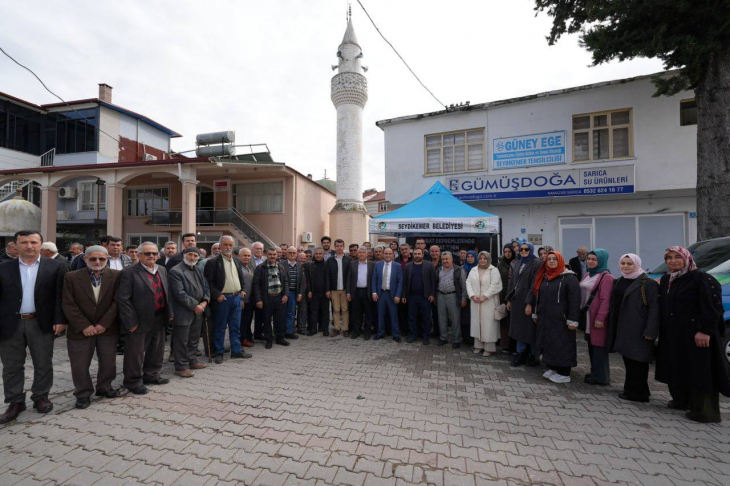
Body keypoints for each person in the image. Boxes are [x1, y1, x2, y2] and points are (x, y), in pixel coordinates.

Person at [655, 246, 730, 423]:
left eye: (677, 257)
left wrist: (704, 331)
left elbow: (713, 307)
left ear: (686, 259)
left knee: (701, 372)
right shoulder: (668, 279)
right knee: (679, 366)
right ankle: (682, 401)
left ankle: (705, 412)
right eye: (669, 258)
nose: (673, 261)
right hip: (675, 334)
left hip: (697, 335)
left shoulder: (701, 278)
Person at [0, 231, 68, 424]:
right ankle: (15, 402)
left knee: (43, 362)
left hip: (42, 322)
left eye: (33, 242)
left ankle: (41, 397)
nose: (29, 246)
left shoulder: (57, 266)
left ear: (40, 244)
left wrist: (60, 319)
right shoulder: (4, 268)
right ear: (16, 244)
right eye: (24, 242)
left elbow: (60, 296)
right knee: (11, 366)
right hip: (9, 324)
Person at [61, 245, 121, 409]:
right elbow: (68, 303)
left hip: (107, 328)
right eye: (93, 258)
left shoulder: (116, 276)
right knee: (79, 364)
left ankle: (105, 387)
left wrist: (104, 323)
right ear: (85, 259)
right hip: (80, 330)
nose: (97, 262)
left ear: (107, 259)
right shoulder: (71, 277)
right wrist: (84, 325)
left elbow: (117, 302)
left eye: (101, 259)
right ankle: (83, 393)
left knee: (108, 362)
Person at [117, 241, 172, 395]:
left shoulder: (162, 269)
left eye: (154, 253)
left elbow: (167, 292)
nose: (152, 256)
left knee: (157, 349)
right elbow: (123, 299)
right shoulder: (129, 272)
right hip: (138, 321)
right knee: (135, 353)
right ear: (139, 255)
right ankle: (132, 381)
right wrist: (130, 321)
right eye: (147, 253)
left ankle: (151, 375)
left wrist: (170, 314)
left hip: (159, 317)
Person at [608, 253, 660, 403]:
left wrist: (651, 330)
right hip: (623, 327)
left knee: (638, 361)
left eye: (629, 264)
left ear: (636, 264)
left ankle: (639, 394)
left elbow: (654, 309)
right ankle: (632, 389)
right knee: (629, 360)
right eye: (623, 263)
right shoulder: (619, 281)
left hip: (639, 328)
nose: (625, 266)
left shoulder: (648, 283)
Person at [531, 251, 580, 384]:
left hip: (562, 320)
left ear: (560, 261)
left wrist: (573, 320)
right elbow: (538, 297)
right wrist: (536, 312)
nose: (551, 261)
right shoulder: (546, 277)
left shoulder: (570, 278)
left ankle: (564, 372)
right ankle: (553, 367)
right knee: (549, 343)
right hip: (547, 318)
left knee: (562, 344)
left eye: (554, 259)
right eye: (549, 259)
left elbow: (574, 301)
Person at [169, 247, 212, 378]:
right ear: (184, 255)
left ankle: (192, 360)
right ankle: (181, 366)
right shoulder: (175, 271)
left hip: (199, 309)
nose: (192, 258)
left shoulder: (198, 269)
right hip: (183, 311)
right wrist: (195, 305)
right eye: (190, 255)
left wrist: (205, 301)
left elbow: (206, 288)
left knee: (193, 339)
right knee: (181, 340)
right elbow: (179, 294)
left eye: (195, 256)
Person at [204, 236, 247, 364]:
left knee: (235, 326)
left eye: (230, 245)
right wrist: (217, 295)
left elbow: (241, 278)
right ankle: (219, 352)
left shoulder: (237, 261)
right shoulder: (212, 262)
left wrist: (242, 290)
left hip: (236, 298)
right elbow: (208, 282)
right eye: (225, 245)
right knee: (220, 327)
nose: (228, 247)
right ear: (220, 246)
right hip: (222, 299)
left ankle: (236, 351)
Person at [580, 249, 614, 386]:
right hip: (587, 316)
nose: (590, 261)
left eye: (594, 259)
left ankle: (602, 377)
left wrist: (600, 318)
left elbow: (606, 300)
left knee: (599, 347)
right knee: (591, 346)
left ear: (601, 261)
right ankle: (595, 372)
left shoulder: (606, 277)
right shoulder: (588, 274)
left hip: (597, 318)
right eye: (589, 259)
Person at [507, 242, 542, 367]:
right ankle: (520, 353)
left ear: (531, 250)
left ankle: (533, 355)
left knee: (530, 329)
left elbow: (535, 284)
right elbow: (512, 282)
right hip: (516, 301)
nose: (523, 251)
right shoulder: (518, 262)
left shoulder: (537, 263)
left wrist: (529, 303)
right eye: (521, 249)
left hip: (528, 302)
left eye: (526, 249)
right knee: (518, 328)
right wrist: (509, 299)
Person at [465, 251, 502, 356]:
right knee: (477, 323)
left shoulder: (493, 270)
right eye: (480, 258)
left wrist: (485, 296)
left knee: (488, 324)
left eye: (484, 258)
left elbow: (496, 285)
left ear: (488, 259)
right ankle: (478, 346)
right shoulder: (473, 270)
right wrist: (472, 295)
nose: (482, 260)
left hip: (489, 302)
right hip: (476, 301)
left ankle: (489, 348)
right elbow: (468, 283)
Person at [253, 247, 290, 348]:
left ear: (277, 255)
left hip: (279, 298)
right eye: (270, 254)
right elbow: (256, 285)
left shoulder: (281, 267)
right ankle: (268, 339)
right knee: (267, 320)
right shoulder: (260, 268)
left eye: (274, 254)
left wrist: (286, 295)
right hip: (267, 298)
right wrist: (259, 299)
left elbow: (286, 282)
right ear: (266, 255)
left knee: (280, 320)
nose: (272, 256)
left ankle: (280, 338)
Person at [402, 248, 436, 345]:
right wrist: (404, 295)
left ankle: (426, 336)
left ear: (422, 255)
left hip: (425, 297)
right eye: (415, 254)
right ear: (413, 255)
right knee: (412, 317)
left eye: (419, 254)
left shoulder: (429, 265)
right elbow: (404, 282)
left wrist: (432, 294)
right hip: (412, 296)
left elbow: (433, 281)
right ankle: (413, 334)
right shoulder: (408, 266)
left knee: (426, 317)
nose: (417, 255)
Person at [435, 252, 467, 348]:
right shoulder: (439, 269)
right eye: (443, 259)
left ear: (452, 259)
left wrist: (463, 298)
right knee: (442, 318)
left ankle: (456, 339)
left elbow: (464, 286)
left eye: (447, 259)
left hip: (453, 296)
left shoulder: (459, 269)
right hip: (441, 295)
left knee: (455, 319)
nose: (445, 261)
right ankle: (443, 338)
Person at [372, 248, 403, 342]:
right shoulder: (377, 265)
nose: (388, 255)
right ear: (383, 254)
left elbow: (400, 281)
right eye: (386, 253)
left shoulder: (397, 266)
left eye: (390, 254)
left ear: (393, 255)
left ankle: (396, 334)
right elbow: (374, 279)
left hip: (392, 294)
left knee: (393, 315)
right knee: (380, 315)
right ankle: (380, 333)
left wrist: (398, 295)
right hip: (381, 293)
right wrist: (374, 292)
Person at [346, 247, 375, 339]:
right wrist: (348, 292)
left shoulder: (372, 264)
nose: (361, 254)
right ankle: (356, 331)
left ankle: (367, 332)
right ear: (357, 254)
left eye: (363, 252)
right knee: (356, 313)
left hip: (367, 291)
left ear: (367, 254)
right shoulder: (352, 264)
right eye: (360, 252)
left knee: (368, 313)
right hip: (356, 291)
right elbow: (348, 279)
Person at [326, 239, 351, 337]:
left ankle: (345, 329)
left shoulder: (348, 260)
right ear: (335, 247)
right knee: (335, 310)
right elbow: (327, 276)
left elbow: (350, 276)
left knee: (345, 309)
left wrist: (349, 290)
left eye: (341, 246)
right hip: (334, 289)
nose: (339, 247)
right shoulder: (330, 260)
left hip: (345, 289)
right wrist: (327, 289)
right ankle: (336, 328)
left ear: (343, 247)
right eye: (337, 246)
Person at [284, 247, 306, 340]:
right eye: (290, 252)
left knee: (291, 313)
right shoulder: (281, 264)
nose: (292, 254)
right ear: (287, 254)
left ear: (296, 254)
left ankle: (289, 332)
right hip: (284, 293)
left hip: (294, 293)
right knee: (282, 313)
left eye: (294, 253)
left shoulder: (299, 266)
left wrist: (300, 294)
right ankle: (280, 331)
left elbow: (302, 281)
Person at [497, 244, 515, 354]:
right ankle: (505, 345)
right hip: (503, 295)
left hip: (513, 296)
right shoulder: (500, 264)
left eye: (509, 251)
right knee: (504, 321)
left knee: (513, 321)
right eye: (505, 251)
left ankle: (514, 345)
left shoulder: (517, 262)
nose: (507, 253)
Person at [307, 247, 329, 336]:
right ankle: (313, 329)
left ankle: (325, 329)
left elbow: (329, 279)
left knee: (325, 312)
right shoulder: (310, 265)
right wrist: (309, 290)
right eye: (316, 254)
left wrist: (328, 290)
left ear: (323, 254)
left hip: (325, 292)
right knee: (313, 312)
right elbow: (307, 279)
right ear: (314, 255)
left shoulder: (327, 265)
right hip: (314, 292)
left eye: (320, 254)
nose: (318, 255)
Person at [238, 248, 257, 348]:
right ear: (239, 256)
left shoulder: (249, 267)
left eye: (248, 255)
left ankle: (246, 337)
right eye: (244, 255)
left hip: (250, 299)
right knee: (242, 321)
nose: (247, 257)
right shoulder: (238, 267)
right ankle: (242, 339)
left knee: (248, 320)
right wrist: (239, 298)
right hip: (241, 300)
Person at [460, 251, 478, 346]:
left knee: (474, 319)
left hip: (476, 298)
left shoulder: (479, 268)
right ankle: (466, 338)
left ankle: (474, 339)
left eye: (472, 257)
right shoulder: (462, 268)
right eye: (468, 257)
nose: (470, 258)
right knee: (465, 319)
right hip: (465, 297)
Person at [296, 251, 310, 334]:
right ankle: (289, 328)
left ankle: (301, 328)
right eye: (301, 258)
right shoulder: (295, 266)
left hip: (304, 292)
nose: (303, 260)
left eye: (304, 258)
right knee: (291, 312)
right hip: (294, 291)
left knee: (303, 311)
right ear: (297, 258)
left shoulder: (308, 267)